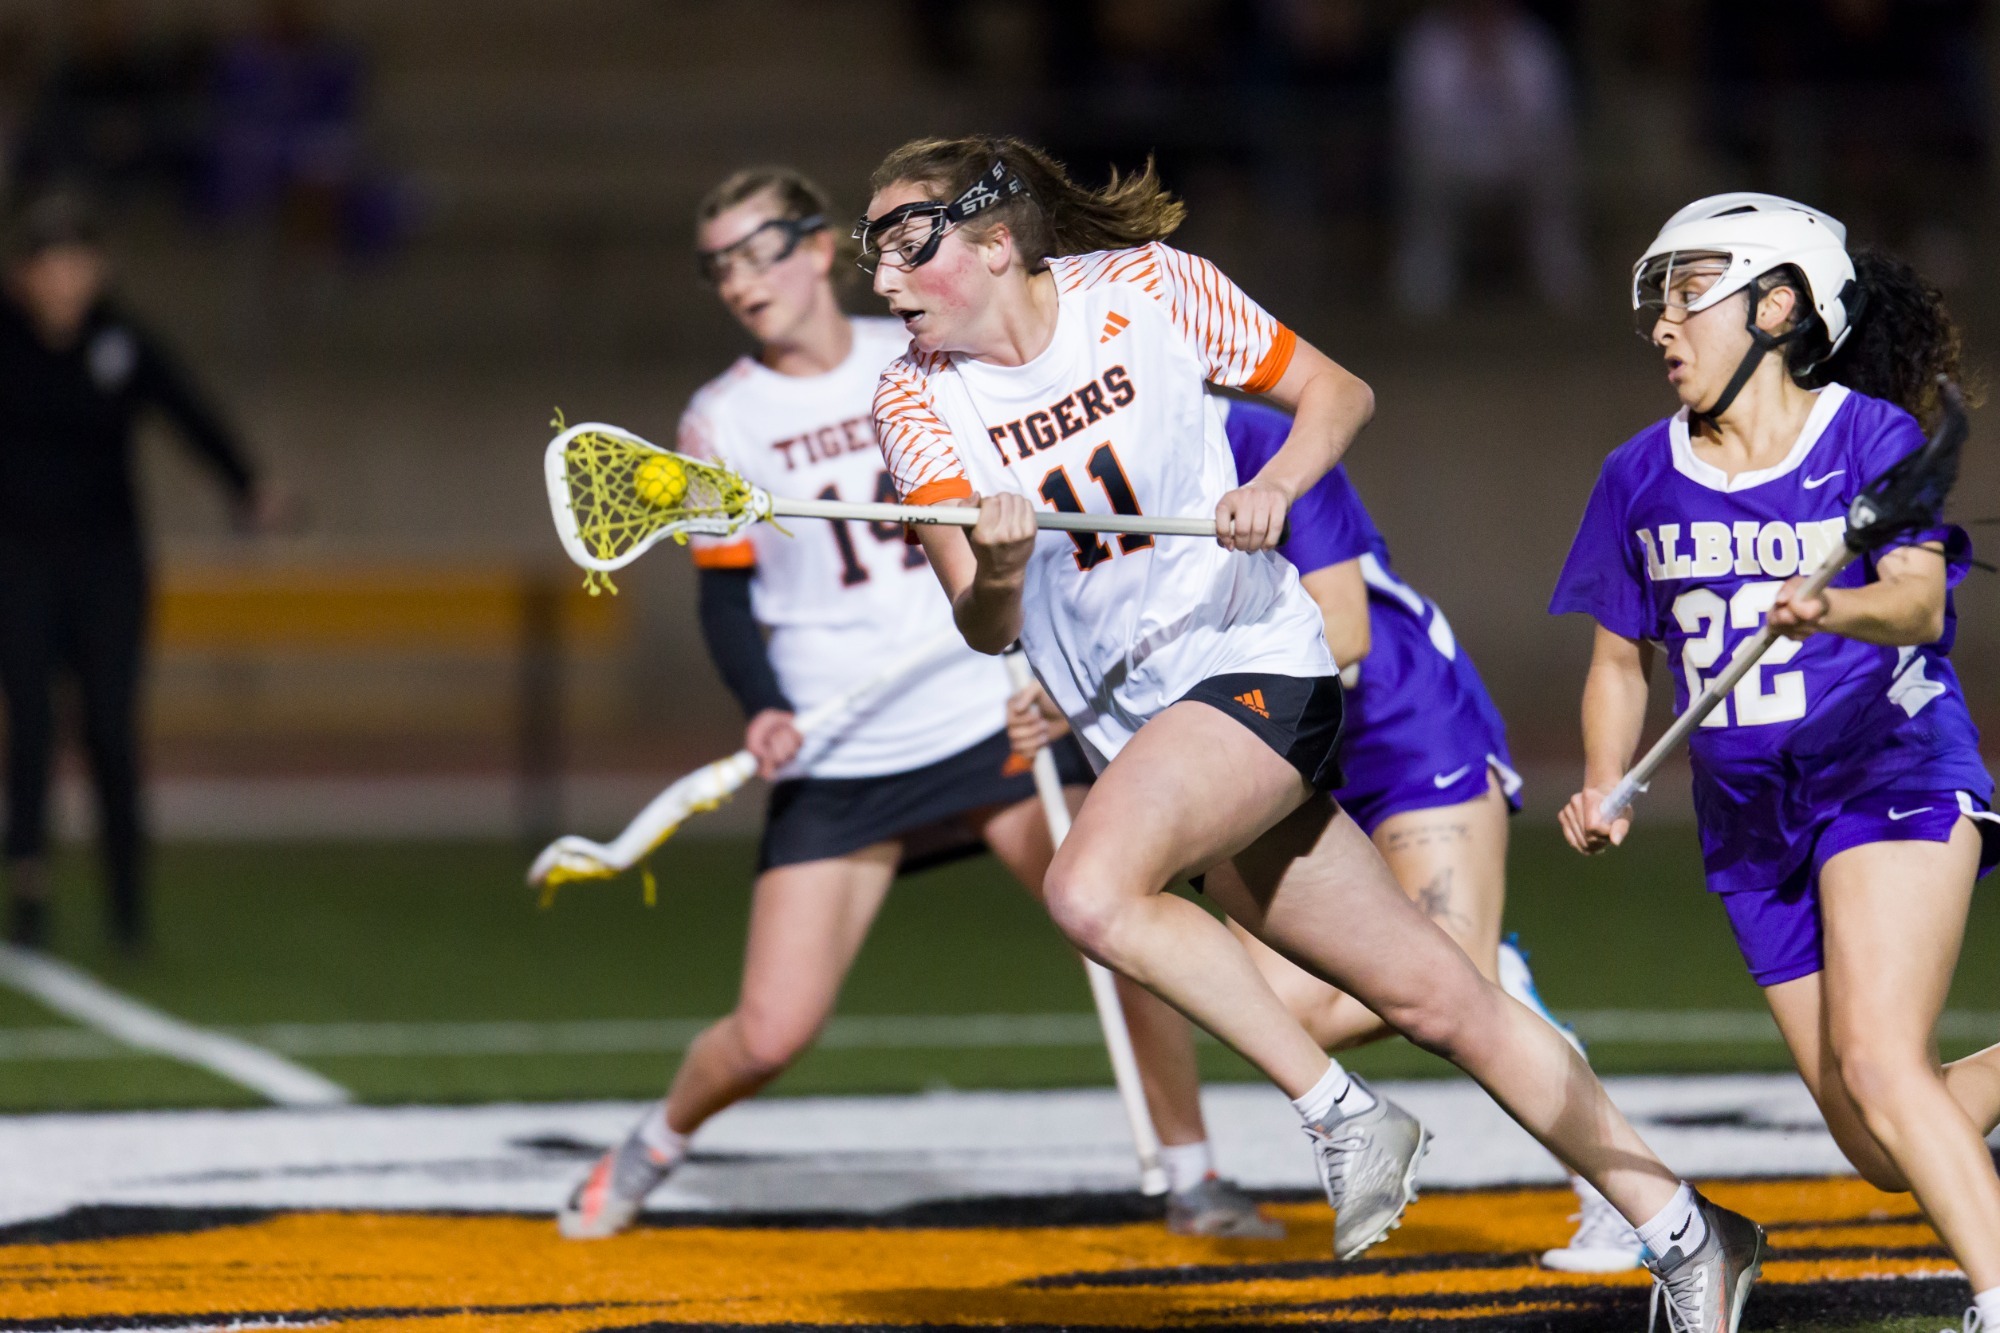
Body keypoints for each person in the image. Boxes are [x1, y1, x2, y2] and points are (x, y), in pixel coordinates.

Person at [862, 132, 1762, 1327]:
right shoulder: (910, 401)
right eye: (870, 250)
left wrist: (1278, 483)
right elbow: (983, 627)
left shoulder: (1146, 289)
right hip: (1140, 734)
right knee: (1444, 1002)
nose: (880, 279)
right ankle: (1692, 1232)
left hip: (1256, 670)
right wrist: (998, 567)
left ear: (989, 240)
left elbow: (1337, 391)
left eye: (900, 243)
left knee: (1087, 890)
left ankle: (1340, 1113)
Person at [558, 166, 1277, 1242]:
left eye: (760, 251)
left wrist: (1042, 653)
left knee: (1119, 917)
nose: (740, 282)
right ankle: (653, 1142)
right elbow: (725, 595)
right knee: (770, 1031)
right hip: (843, 744)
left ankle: (1191, 1172)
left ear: (814, 250)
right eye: (718, 266)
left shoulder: (922, 360)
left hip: (980, 710)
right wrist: (759, 702)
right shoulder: (721, 418)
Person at [1012, 392, 1645, 1272]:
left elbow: (1341, 625)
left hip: (1396, 724)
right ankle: (1476, 976)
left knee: (1447, 989)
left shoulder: (1251, 434)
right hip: (1259, 741)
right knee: (1287, 1004)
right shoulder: (1068, 456)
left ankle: (1620, 1193)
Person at [1555, 192, 2000, 1333]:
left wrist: (1832, 605)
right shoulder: (1631, 476)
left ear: (1778, 301)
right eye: (1655, 296)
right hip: (1748, 821)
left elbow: (1911, 604)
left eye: (1689, 291)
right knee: (1877, 1144)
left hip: (1882, 765)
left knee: (1879, 1059)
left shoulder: (1864, 437)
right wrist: (1607, 776)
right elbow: (1619, 662)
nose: (1662, 321)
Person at [0, 193, 281, 952]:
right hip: (19, 562)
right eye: (49, 264)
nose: (64, 279)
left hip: (106, 564)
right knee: (28, 727)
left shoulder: (119, 341)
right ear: (25, 274)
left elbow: (187, 409)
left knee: (111, 730)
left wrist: (246, 483)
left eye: (77, 262)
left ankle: (128, 904)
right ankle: (29, 892)